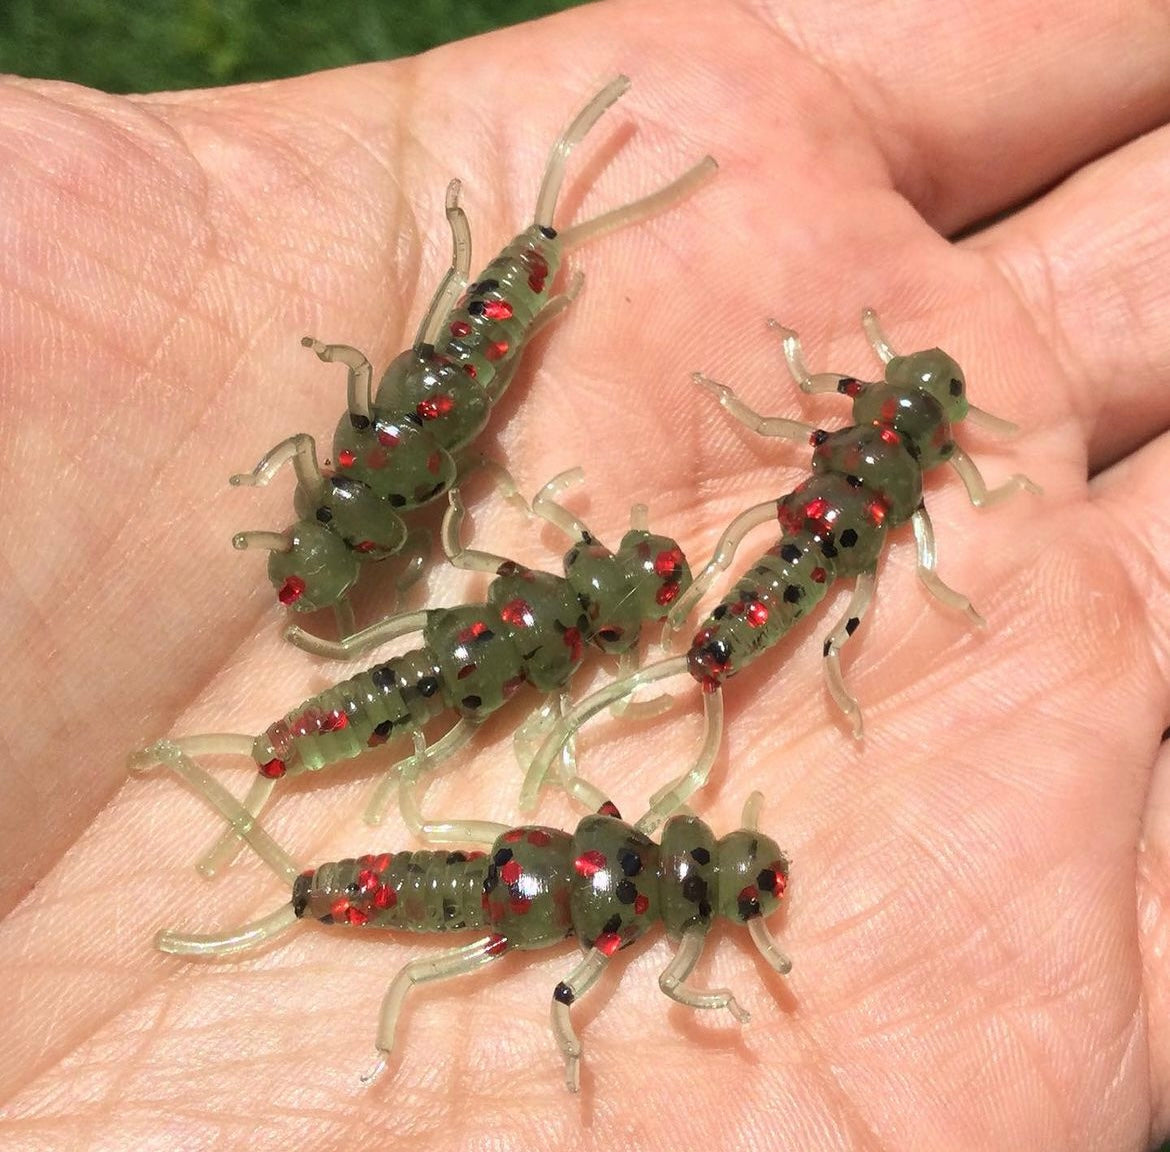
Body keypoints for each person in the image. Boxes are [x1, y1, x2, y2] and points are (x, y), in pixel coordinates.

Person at [1, 0, 1169, 1147]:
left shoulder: (582, 681)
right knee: (422, 721)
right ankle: (258, 799)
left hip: (487, 695)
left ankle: (263, 815)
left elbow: (472, 554)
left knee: (421, 722)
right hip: (485, 696)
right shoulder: (578, 681)